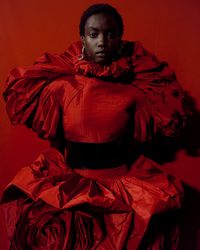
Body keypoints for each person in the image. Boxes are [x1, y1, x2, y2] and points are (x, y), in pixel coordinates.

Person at [1, 3, 188, 250]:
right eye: (93, 34)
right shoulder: (60, 87)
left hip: (120, 189)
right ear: (83, 39)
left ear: (120, 40)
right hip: (72, 187)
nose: (102, 41)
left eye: (110, 34)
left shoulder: (136, 93)